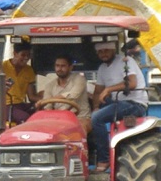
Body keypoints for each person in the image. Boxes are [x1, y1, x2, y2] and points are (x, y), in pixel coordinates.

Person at [89, 39, 148, 171]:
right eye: (100, 52)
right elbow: (98, 91)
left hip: (134, 103)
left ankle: (104, 159)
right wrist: (95, 107)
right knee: (91, 115)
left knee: (97, 118)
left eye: (106, 51)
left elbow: (131, 84)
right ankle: (90, 154)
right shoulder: (102, 68)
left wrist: (109, 89)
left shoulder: (126, 61)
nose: (103, 54)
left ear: (113, 50)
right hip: (117, 102)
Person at [37, 54, 90, 132]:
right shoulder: (49, 85)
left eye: (63, 66)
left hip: (80, 117)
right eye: (57, 66)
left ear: (70, 67)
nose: (59, 69)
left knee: (80, 129)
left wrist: (51, 99)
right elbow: (47, 106)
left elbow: (73, 95)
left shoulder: (79, 79)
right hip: (58, 120)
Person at [0, 41, 39, 122]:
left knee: (40, 112)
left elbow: (31, 96)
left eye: (28, 55)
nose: (26, 58)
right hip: (4, 106)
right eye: (23, 55)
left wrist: (46, 99)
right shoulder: (1, 67)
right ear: (15, 53)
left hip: (20, 104)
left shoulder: (29, 70)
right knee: (25, 117)